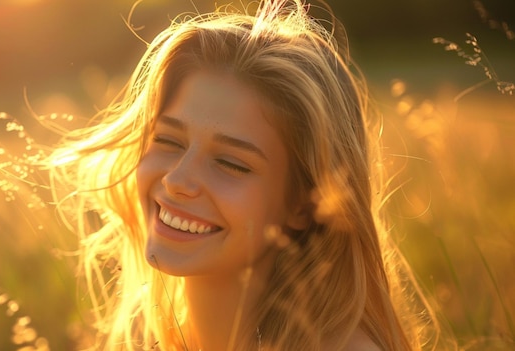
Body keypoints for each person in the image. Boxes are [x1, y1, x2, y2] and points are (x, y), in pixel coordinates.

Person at [48, 1, 434, 350]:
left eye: (231, 163)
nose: (177, 180)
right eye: (168, 141)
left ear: (304, 204)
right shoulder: (153, 336)